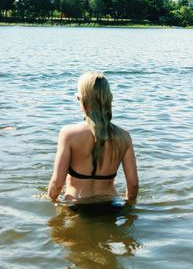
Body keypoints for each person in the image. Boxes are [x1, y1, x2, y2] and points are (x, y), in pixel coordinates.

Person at [48, 71, 138, 204]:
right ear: (109, 98)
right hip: (111, 205)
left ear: (80, 98)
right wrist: (128, 208)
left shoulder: (68, 134)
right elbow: (133, 186)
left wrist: (52, 202)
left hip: (77, 205)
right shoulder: (124, 137)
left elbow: (56, 184)